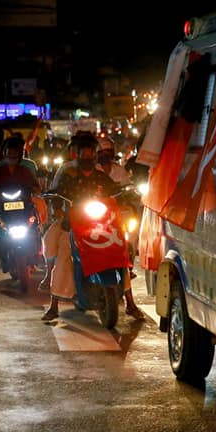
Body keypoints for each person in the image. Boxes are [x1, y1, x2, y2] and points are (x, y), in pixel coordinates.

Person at [40, 135, 130, 321]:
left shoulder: (100, 176)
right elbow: (58, 195)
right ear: (78, 155)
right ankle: (54, 304)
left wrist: (125, 196)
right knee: (64, 255)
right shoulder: (68, 174)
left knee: (119, 252)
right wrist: (58, 208)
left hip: (101, 226)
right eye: (84, 153)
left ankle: (131, 302)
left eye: (91, 154)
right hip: (73, 224)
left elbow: (114, 191)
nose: (88, 157)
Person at [0, 137, 41, 287]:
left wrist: (36, 190)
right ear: (5, 153)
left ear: (20, 154)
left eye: (15, 153)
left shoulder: (26, 169)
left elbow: (35, 185)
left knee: (38, 225)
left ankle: (39, 254)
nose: (12, 156)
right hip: (2, 206)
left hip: (24, 207)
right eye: (9, 153)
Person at [96, 136, 143, 320]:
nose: (105, 156)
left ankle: (130, 303)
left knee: (122, 254)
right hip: (95, 221)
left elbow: (128, 190)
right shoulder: (92, 172)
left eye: (108, 152)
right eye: (102, 153)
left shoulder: (120, 171)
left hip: (116, 218)